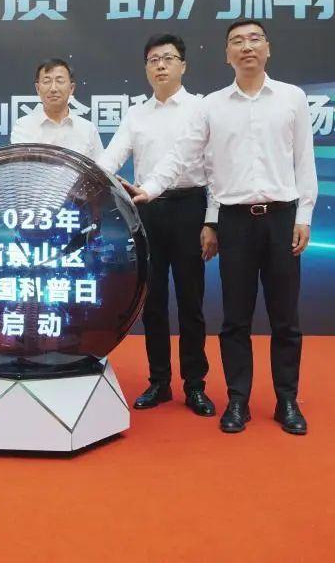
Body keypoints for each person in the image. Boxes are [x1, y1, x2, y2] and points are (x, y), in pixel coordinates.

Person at [131, 20, 317, 436]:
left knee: (285, 318)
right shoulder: (211, 106)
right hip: (235, 221)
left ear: (267, 48)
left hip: (282, 217)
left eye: (254, 39)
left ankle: (287, 400)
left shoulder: (292, 98)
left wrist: (304, 215)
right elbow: (185, 156)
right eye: (237, 41)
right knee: (235, 318)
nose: (246, 47)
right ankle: (238, 400)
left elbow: (304, 160)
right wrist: (152, 188)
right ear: (226, 54)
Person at [99, 33, 214, 417]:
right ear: (146, 69)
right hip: (146, 211)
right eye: (153, 60)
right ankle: (159, 382)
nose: (160, 65)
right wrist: (89, 177)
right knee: (153, 301)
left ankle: (195, 385)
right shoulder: (137, 114)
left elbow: (214, 169)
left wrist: (211, 220)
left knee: (191, 301)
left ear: (183, 65)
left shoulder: (200, 109)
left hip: (189, 207)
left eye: (168, 58)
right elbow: (112, 156)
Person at [10, 58, 103, 160]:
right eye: (46, 81)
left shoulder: (87, 129)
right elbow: (21, 166)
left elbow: (100, 168)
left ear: (71, 88)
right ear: (38, 88)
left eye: (60, 81)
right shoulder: (23, 126)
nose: (53, 88)